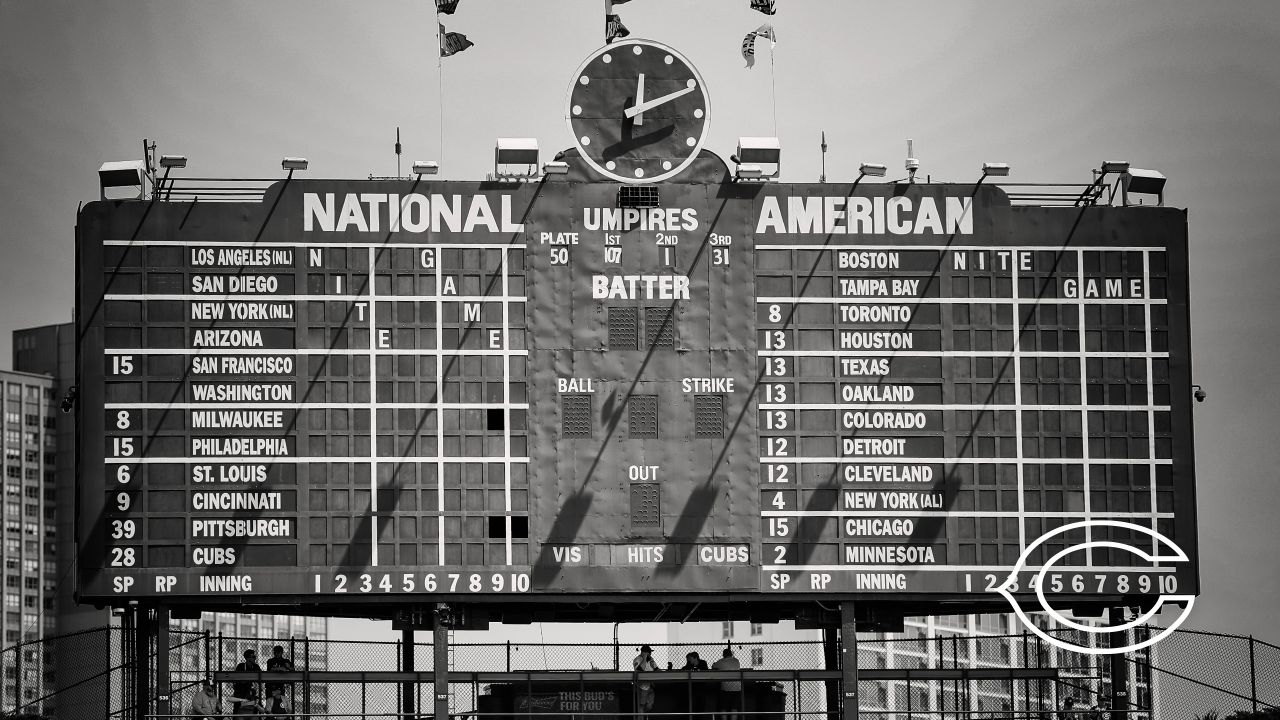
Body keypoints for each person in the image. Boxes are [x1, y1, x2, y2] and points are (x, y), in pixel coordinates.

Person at [711, 648, 742, 720]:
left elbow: (713, 667)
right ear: (731, 654)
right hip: (737, 687)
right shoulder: (736, 661)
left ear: (723, 655)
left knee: (723, 707)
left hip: (725, 687)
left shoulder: (721, 661)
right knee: (734, 708)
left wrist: (715, 665)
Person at [632, 644, 659, 720]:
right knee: (642, 705)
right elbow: (639, 670)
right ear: (645, 652)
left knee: (650, 705)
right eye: (649, 652)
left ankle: (644, 716)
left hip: (651, 685)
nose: (650, 654)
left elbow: (657, 669)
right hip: (642, 686)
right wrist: (644, 657)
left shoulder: (650, 659)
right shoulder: (637, 659)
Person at [232, 648, 262, 714]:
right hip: (241, 692)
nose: (255, 658)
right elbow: (237, 679)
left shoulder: (256, 666)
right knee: (237, 709)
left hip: (252, 692)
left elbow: (260, 678)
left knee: (254, 708)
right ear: (248, 658)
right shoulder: (240, 666)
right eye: (253, 657)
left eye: (255, 657)